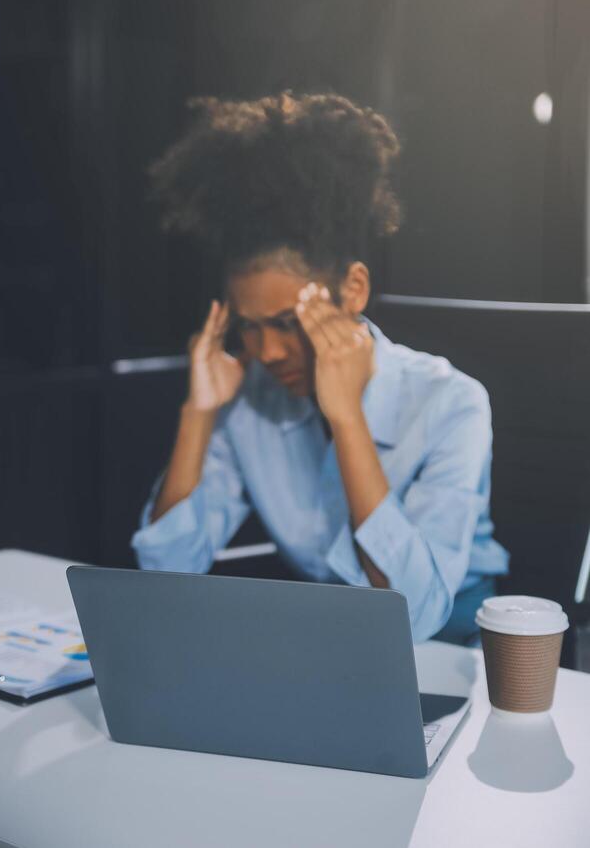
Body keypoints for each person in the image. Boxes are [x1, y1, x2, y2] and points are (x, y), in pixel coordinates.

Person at [131, 91, 509, 644]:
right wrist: (199, 414)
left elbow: (414, 616)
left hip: (453, 651)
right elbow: (163, 577)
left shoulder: (452, 403)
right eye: (249, 326)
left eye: (287, 323)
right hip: (325, 641)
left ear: (352, 289)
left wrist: (348, 419)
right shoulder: (251, 398)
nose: (268, 352)